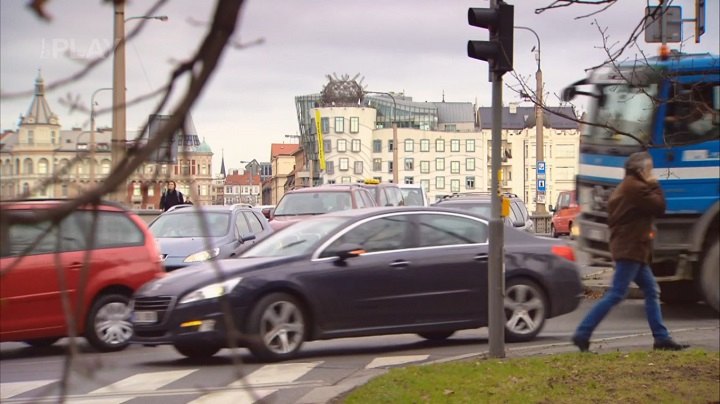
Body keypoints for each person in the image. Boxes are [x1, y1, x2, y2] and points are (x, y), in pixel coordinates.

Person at [572, 152, 689, 352]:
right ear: (640, 171)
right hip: (630, 249)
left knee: (652, 291)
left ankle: (661, 338)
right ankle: (582, 333)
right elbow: (660, 207)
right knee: (616, 294)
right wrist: (654, 184)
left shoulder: (626, 186)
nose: (652, 173)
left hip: (633, 249)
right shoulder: (636, 188)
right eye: (650, 170)